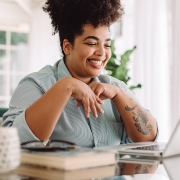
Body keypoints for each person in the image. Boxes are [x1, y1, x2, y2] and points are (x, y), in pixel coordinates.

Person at [2, 0, 158, 147]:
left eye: (107, 45)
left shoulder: (115, 88)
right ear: (67, 46)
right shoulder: (36, 85)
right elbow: (12, 143)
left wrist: (119, 95)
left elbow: (149, 138)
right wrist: (65, 86)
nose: (102, 53)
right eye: (92, 43)